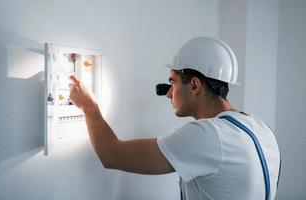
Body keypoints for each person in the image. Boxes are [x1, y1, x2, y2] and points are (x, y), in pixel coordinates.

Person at [69, 37, 281, 200]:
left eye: (173, 82)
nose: (169, 93)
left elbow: (111, 155)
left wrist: (88, 105)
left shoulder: (208, 135)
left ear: (195, 85)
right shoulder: (261, 129)